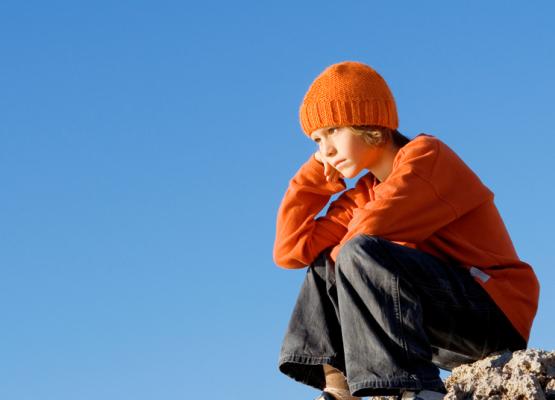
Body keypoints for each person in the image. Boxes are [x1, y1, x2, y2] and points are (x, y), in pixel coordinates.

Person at [272, 61, 540, 400]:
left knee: (354, 252)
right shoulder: (363, 193)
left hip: (493, 315)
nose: (325, 150)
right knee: (325, 262)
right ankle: (340, 390)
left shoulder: (427, 159)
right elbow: (291, 249)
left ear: (369, 122)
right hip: (433, 326)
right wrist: (314, 175)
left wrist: (342, 261)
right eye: (316, 140)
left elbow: (365, 235)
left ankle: (417, 388)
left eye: (333, 131)